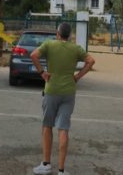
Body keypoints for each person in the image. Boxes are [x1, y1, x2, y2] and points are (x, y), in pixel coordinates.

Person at [31, 23, 95, 175]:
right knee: (63, 129)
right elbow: (91, 61)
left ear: (57, 33)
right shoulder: (75, 48)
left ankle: (46, 165)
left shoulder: (49, 45)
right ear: (70, 35)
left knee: (47, 126)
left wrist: (42, 73)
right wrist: (77, 77)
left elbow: (33, 55)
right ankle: (61, 170)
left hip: (51, 90)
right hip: (68, 92)